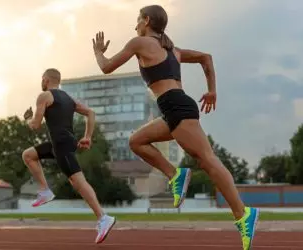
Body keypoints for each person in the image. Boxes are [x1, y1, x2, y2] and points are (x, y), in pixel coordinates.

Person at [92, 5, 259, 250]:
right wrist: (212, 90)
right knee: (136, 141)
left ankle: (243, 215)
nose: (135, 25)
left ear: (146, 20)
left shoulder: (140, 42)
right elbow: (206, 58)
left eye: (137, 20)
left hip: (176, 107)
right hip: (173, 109)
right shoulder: (173, 50)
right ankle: (175, 174)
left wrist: (97, 52)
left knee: (208, 160)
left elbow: (106, 67)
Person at [22, 68, 116, 244]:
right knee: (28, 155)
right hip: (62, 143)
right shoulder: (68, 98)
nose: (41, 83)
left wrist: (28, 119)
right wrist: (87, 136)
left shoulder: (44, 97)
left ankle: (103, 218)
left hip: (62, 145)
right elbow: (91, 113)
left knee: (78, 182)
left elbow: (35, 125)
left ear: (46, 79)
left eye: (41, 79)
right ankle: (45, 191)